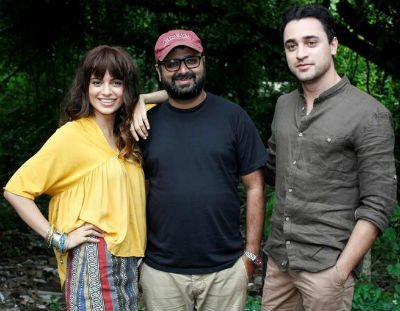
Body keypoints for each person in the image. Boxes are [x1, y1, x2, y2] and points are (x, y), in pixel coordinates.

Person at [262, 4, 397, 311]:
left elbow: (378, 204)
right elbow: (271, 169)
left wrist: (340, 272)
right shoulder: (283, 105)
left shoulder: (369, 114)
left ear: (333, 45)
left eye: (312, 42)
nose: (300, 53)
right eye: (291, 45)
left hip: (327, 268)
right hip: (280, 263)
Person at [133, 29, 267, 311]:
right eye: (172, 63)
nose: (183, 70)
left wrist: (251, 254)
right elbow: (138, 193)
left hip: (226, 270)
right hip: (161, 272)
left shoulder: (233, 118)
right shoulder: (144, 126)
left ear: (203, 62)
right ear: (159, 71)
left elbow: (255, 186)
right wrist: (140, 259)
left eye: (191, 60)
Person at [3, 45, 146, 310]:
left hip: (129, 262)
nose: (106, 91)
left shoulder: (127, 135)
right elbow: (16, 190)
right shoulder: (73, 135)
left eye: (116, 82)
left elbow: (171, 96)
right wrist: (58, 238)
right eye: (97, 82)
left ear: (127, 88)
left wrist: (140, 101)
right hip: (95, 257)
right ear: (85, 86)